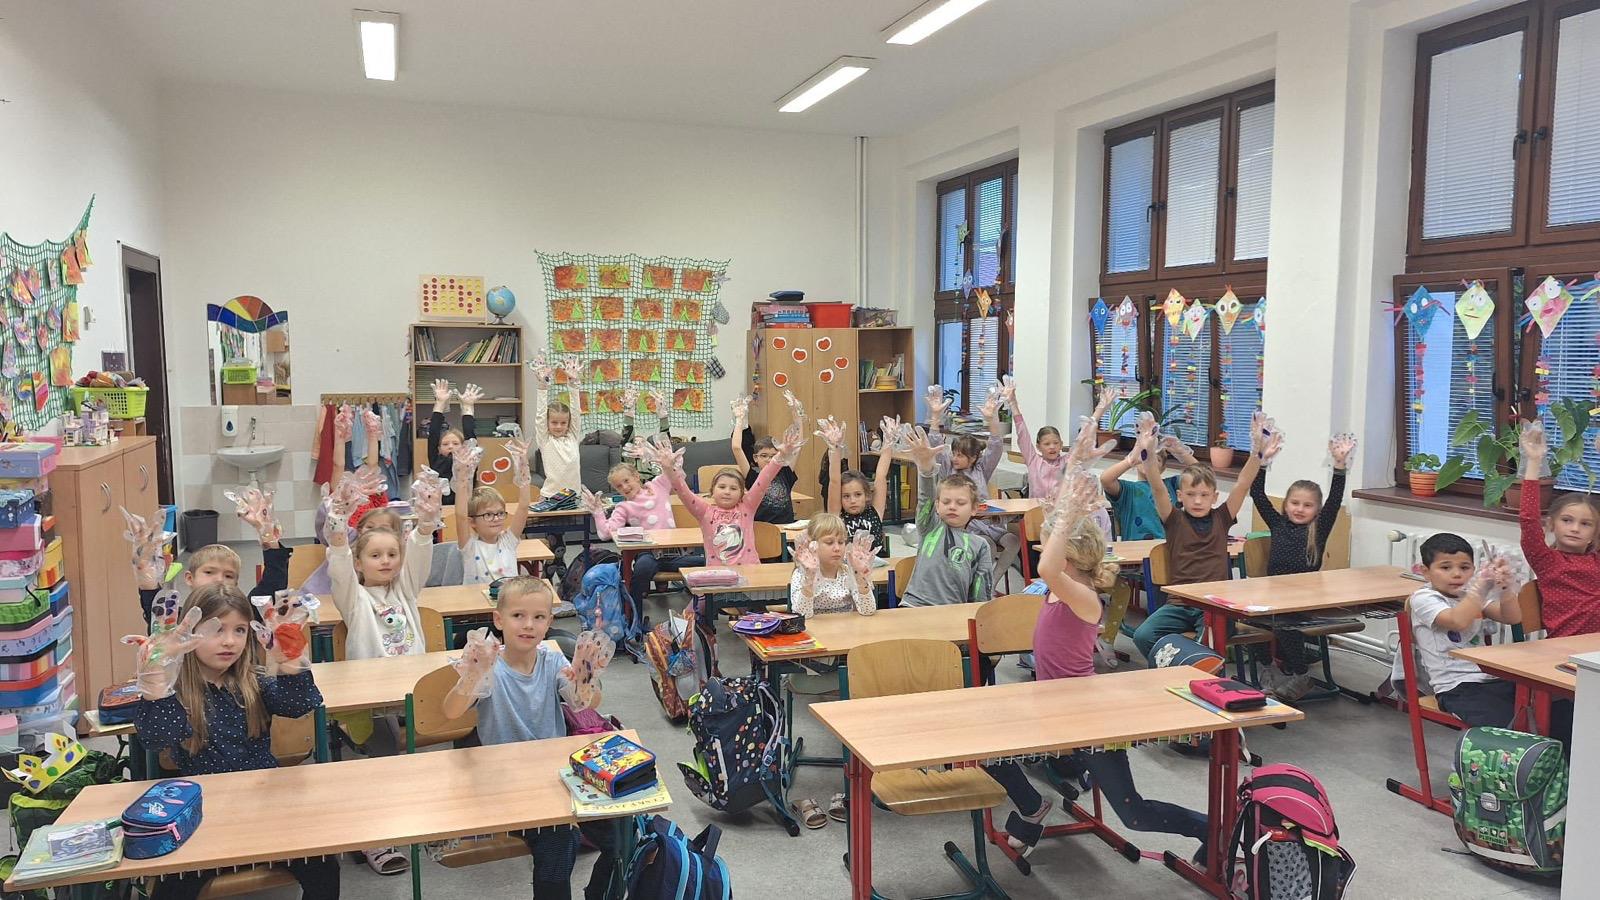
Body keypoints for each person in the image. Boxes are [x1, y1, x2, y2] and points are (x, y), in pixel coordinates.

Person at [982, 468, 1211, 861]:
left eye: (1050, 544)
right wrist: (1062, 505)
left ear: (1069, 555)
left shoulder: (1083, 596)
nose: (1041, 549)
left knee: (1134, 814)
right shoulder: (1058, 589)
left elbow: (1046, 567)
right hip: (1051, 705)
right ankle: (1033, 806)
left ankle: (1210, 829)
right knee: (986, 746)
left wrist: (1069, 515)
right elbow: (1049, 560)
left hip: (1087, 717)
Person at [129, 583, 337, 899]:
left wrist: (291, 660)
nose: (229, 641)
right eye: (216, 630)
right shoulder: (177, 692)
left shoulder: (253, 681)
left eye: (239, 630)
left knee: (324, 866)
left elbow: (300, 705)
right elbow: (157, 737)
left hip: (264, 808)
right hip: (204, 816)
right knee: (173, 889)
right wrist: (156, 682)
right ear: (189, 634)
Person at [441, 577, 615, 899]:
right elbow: (450, 711)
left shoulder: (552, 660)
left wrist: (585, 677)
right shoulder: (490, 665)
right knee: (559, 839)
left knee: (621, 831)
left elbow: (587, 703)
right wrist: (473, 674)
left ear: (549, 623)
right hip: (506, 783)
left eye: (538, 617)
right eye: (518, 615)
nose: (528, 625)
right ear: (498, 620)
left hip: (554, 777)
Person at [324, 467, 444, 874]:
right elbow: (338, 564)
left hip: (410, 693)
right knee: (385, 751)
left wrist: (425, 527)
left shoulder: (405, 591)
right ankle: (377, 837)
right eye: (375, 556)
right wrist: (338, 526)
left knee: (467, 718)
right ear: (360, 562)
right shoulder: (354, 599)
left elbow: (419, 557)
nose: (386, 561)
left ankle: (442, 816)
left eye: (392, 554)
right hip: (370, 700)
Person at [1130, 411, 1280, 661]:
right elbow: (1156, 486)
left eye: (1204, 495)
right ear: (1180, 496)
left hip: (1214, 605)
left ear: (1214, 497)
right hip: (1180, 604)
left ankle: (1196, 672)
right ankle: (1175, 669)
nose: (1197, 501)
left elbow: (1243, 483)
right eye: (1190, 495)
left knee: (1206, 646)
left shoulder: (1222, 518)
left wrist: (1256, 452)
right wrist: (1147, 451)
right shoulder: (1174, 519)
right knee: (1143, 635)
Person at [1247, 433, 1356, 700]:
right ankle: (1267, 668)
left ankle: (1301, 675)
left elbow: (1334, 500)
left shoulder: (1319, 529)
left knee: (1284, 625)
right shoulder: (1277, 523)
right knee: (1250, 621)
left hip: (1304, 599)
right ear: (1285, 505)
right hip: (1274, 595)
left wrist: (1339, 466)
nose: (1299, 509)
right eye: (1294, 503)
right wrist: (1262, 462)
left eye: (1308, 505)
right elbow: (1257, 494)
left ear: (1317, 510)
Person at [1518, 420, 1600, 747]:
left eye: (1585, 524)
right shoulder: (1548, 560)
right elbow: (1527, 520)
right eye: (1567, 520)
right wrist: (1534, 460)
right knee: (1574, 733)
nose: (1576, 528)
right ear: (1552, 525)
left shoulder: (1596, 561)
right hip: (1565, 658)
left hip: (1596, 652)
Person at [1404, 533, 1523, 727]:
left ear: (1473, 570)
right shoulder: (1424, 598)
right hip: (1455, 687)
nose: (1457, 574)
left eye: (1465, 568)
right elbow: (1457, 621)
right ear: (1426, 572)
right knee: (1507, 723)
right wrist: (1480, 588)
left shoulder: (1468, 594)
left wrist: (1505, 588)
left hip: (1490, 678)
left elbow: (1512, 617)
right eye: (1445, 567)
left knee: (1548, 707)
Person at [650, 428, 802, 567]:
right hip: (717, 575)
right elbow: (683, 491)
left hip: (750, 571)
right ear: (712, 491)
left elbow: (763, 480)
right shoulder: (704, 511)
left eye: (734, 488)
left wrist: (780, 457)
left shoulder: (747, 507)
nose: (727, 492)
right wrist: (669, 469)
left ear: (742, 493)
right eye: (722, 487)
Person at [898, 427, 994, 608]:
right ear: (937, 505)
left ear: (974, 508)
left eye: (960, 503)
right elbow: (925, 498)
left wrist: (977, 615)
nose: (952, 506)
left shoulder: (980, 545)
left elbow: (981, 593)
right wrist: (926, 468)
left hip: (953, 611)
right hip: (914, 606)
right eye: (946, 501)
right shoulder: (930, 527)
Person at [930, 386, 1018, 579]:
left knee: (1013, 541)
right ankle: (980, 584)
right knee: (988, 545)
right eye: (954, 454)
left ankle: (992, 581)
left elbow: (996, 446)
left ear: (973, 458)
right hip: (969, 526)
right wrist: (935, 418)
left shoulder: (981, 469)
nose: (955, 458)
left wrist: (992, 419)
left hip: (989, 523)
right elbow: (935, 444)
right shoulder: (948, 469)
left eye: (960, 455)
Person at [453, 439, 534, 584]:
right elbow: (460, 516)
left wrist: (523, 467)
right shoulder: (469, 546)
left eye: (500, 513)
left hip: (507, 597)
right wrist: (462, 477)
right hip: (476, 598)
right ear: (472, 522)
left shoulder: (508, 541)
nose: (496, 518)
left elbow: (523, 506)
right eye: (488, 515)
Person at [821, 416, 897, 560]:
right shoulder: (837, 516)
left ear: (867, 495)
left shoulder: (875, 512)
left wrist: (888, 442)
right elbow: (835, 481)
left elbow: (881, 476)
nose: (852, 500)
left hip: (875, 567)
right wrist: (835, 447)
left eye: (858, 494)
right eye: (846, 496)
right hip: (847, 567)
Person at [789, 514, 878, 618]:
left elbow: (868, 610)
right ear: (812, 545)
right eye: (829, 542)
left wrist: (861, 578)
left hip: (847, 626)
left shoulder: (848, 572)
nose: (837, 548)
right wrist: (810, 579)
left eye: (841, 542)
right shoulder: (801, 574)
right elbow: (802, 615)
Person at [731, 393, 801, 525]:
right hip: (761, 530)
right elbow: (736, 448)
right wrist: (739, 419)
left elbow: (797, 446)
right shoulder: (752, 476)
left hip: (785, 527)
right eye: (764, 456)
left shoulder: (785, 473)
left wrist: (797, 416)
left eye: (773, 456)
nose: (769, 460)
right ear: (755, 458)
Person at [531, 356, 586, 497]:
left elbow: (575, 412)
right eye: (554, 422)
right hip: (550, 496)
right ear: (548, 423)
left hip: (574, 496)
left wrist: (573, 384)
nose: (559, 426)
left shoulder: (572, 436)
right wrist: (542, 387)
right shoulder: (545, 439)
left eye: (563, 423)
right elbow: (540, 415)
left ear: (568, 424)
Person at [428, 379, 480, 509]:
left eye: (456, 443)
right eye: (445, 444)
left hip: (466, 508)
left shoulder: (469, 462)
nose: (450, 446)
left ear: (464, 447)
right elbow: (433, 434)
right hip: (440, 509)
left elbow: (470, 437)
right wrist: (439, 404)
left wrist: (467, 409)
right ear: (439, 449)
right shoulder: (437, 460)